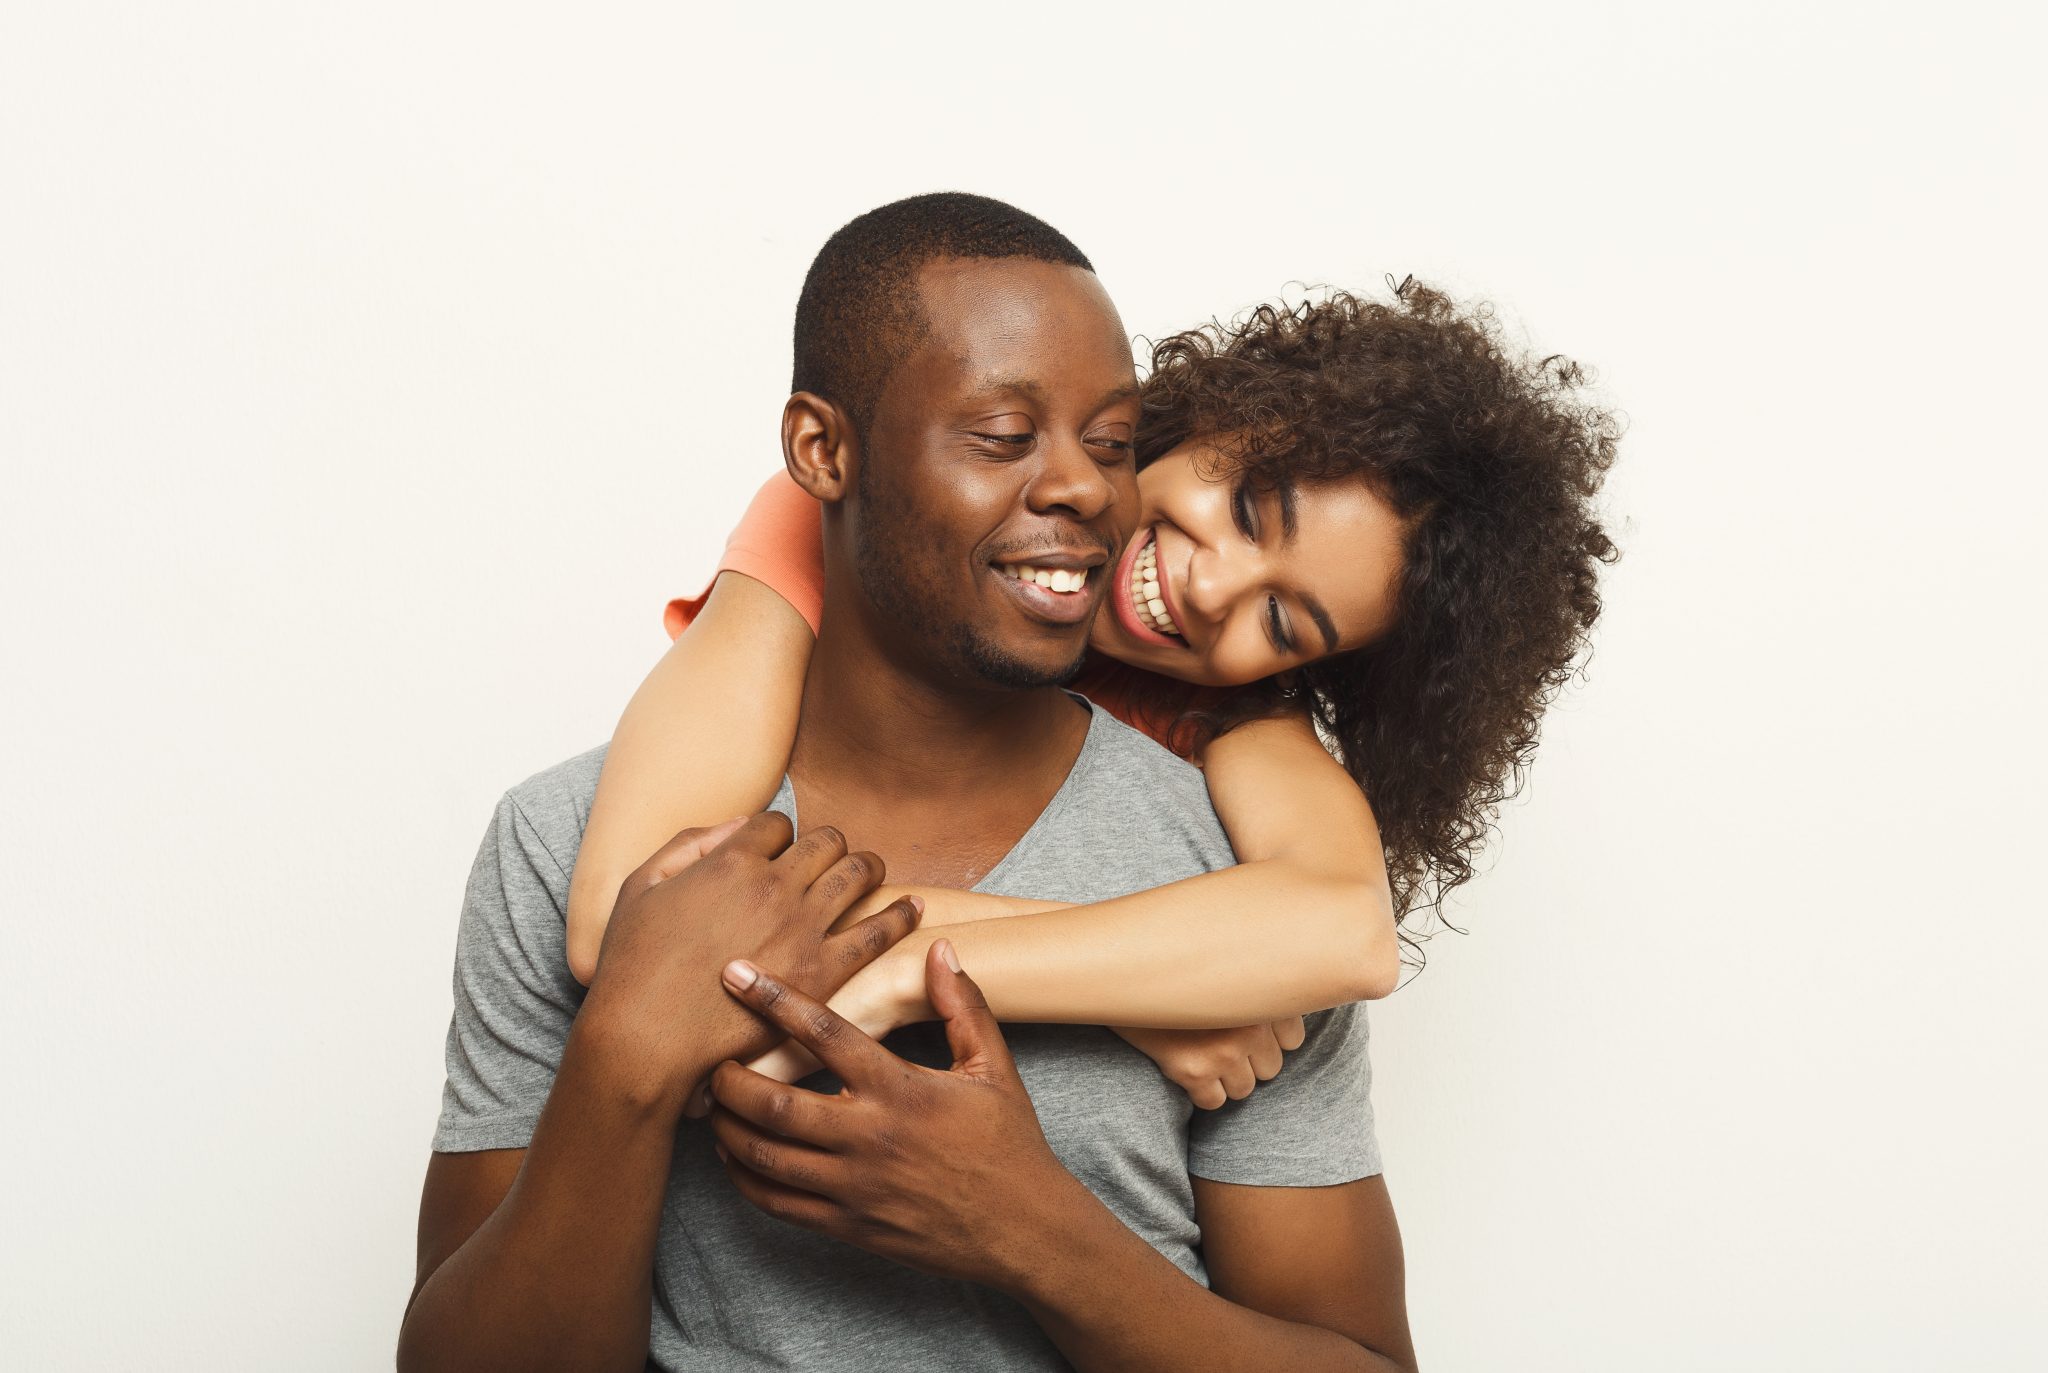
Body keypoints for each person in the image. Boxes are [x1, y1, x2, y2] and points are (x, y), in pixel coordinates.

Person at [401, 193, 1416, 1370]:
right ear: (821, 452)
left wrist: (1028, 1227)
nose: (1086, 488)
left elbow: (1344, 929)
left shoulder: (1233, 901)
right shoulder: (565, 828)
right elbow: (632, 917)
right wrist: (629, 1053)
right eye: (1001, 435)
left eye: (1105, 442)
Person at [564, 273, 1620, 1108]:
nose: (1209, 589)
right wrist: (1134, 989)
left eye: (1283, 620)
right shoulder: (864, 527)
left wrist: (911, 971)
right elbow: (627, 918)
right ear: (1208, 416)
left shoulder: (1232, 706)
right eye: (1249, 509)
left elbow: (1347, 929)